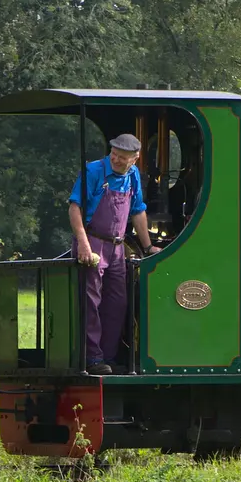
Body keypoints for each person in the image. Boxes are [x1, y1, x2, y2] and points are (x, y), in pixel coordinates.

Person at [68, 134, 161, 375]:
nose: (117, 161)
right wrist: (83, 244)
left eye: (123, 158)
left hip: (118, 247)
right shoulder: (93, 171)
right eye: (114, 155)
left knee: (118, 302)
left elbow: (138, 211)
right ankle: (92, 358)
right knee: (91, 301)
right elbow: (75, 208)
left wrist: (148, 246)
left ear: (135, 158)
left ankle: (109, 357)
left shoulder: (133, 176)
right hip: (93, 242)